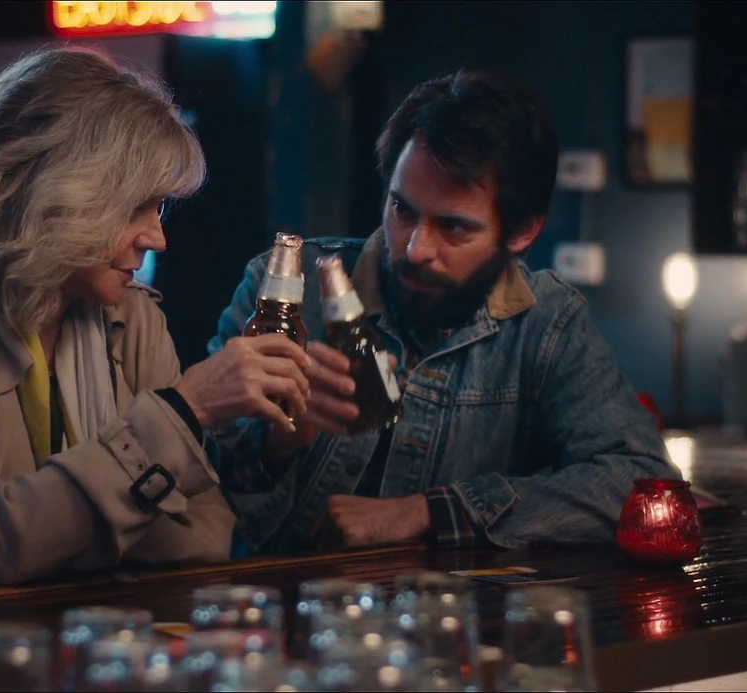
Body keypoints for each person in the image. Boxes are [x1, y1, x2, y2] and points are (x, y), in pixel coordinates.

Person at [0, 47, 311, 593]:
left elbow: (204, 533)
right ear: (51, 202)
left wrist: (55, 532)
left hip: (100, 638)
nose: (158, 238)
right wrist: (184, 411)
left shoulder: (134, 319)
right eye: (135, 208)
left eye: (160, 208)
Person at [210, 69, 679, 555]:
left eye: (454, 228)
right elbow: (193, 483)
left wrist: (430, 511)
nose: (415, 249)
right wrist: (282, 437)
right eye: (402, 209)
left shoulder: (547, 325)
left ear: (521, 232)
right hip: (282, 597)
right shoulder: (285, 290)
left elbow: (642, 483)